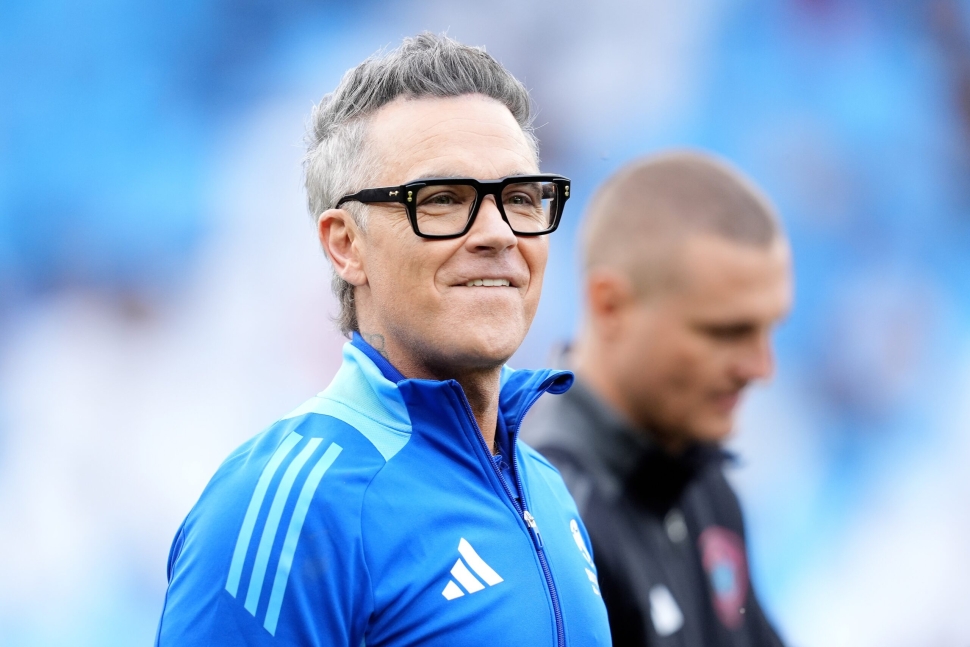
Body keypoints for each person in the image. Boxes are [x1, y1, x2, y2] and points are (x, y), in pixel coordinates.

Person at [154, 33, 611, 647]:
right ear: (346, 245)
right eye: (443, 200)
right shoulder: (288, 505)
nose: (500, 233)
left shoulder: (547, 490)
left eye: (521, 198)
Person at [521, 151, 792, 647]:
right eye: (727, 332)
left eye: (769, 328)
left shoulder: (703, 484)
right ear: (610, 305)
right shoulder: (549, 521)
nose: (761, 368)